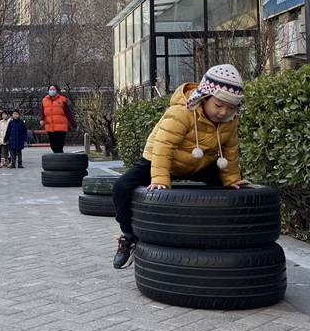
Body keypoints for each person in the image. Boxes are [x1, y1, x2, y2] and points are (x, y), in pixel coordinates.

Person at [111, 64, 251, 270]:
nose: (224, 112)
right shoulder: (181, 112)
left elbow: (230, 150)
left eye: (231, 107)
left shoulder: (230, 120)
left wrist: (231, 178)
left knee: (234, 187)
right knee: (121, 187)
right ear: (204, 97)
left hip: (198, 163)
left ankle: (225, 233)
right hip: (160, 159)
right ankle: (128, 236)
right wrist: (160, 179)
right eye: (219, 105)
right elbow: (163, 146)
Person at [38, 85, 77, 153]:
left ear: (57, 91)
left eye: (53, 89)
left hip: (60, 127)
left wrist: (74, 125)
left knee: (58, 146)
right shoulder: (44, 100)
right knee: (53, 146)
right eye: (50, 89)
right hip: (50, 126)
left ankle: (60, 158)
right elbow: (41, 112)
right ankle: (59, 157)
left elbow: (68, 114)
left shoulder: (62, 100)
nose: (51, 91)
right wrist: (41, 119)